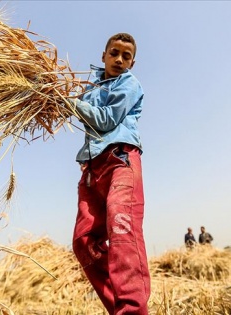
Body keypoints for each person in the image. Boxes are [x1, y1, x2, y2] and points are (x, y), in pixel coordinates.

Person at [68, 33, 149, 314]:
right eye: (114, 53)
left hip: (120, 160)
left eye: (126, 56)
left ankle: (132, 309)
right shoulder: (89, 86)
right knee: (84, 243)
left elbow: (105, 120)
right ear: (103, 55)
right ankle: (119, 308)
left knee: (121, 228)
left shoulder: (129, 83)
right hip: (92, 167)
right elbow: (79, 113)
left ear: (133, 63)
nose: (119, 59)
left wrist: (70, 103)